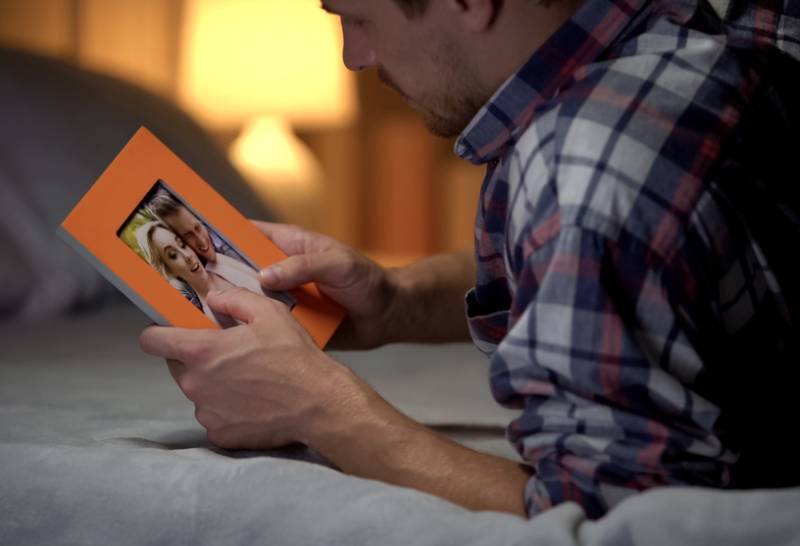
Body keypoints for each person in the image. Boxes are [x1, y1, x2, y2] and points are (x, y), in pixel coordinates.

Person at [139, 0, 800, 520]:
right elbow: (642, 262)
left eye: (358, 18)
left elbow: (616, 521)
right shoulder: (677, 35)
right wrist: (398, 301)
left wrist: (319, 409)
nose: (353, 57)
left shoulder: (585, 160)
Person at [136, 221, 268, 326]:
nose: (187, 255)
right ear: (169, 270)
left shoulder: (220, 262)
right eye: (173, 255)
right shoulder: (209, 319)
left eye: (181, 244)